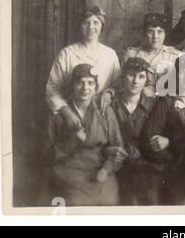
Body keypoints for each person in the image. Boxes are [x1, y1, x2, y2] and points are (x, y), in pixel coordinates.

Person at [45, 64, 126, 206]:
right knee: (77, 203)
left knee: (110, 202)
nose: (85, 88)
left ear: (96, 87)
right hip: (69, 173)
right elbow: (47, 156)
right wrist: (72, 142)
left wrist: (107, 169)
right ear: (72, 86)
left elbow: (118, 147)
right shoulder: (57, 116)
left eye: (90, 83)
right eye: (80, 83)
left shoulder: (105, 111)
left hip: (99, 171)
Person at [142, 55, 185, 205]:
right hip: (173, 161)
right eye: (183, 73)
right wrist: (171, 155)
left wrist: (169, 141)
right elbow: (149, 135)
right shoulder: (166, 101)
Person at [46, 6, 121, 131]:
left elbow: (119, 84)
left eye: (96, 22)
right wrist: (68, 114)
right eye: (86, 22)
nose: (91, 27)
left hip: (101, 113)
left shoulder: (110, 54)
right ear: (80, 26)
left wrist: (109, 92)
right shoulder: (67, 53)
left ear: (102, 26)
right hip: (73, 111)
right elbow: (52, 89)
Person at [110, 57, 161, 205]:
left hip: (146, 162)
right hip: (117, 162)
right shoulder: (110, 105)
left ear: (146, 80)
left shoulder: (153, 105)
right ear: (123, 76)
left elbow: (159, 134)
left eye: (141, 76)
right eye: (131, 74)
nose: (136, 81)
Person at [122, 13, 181, 96]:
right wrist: (110, 92)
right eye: (150, 31)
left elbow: (181, 91)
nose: (155, 36)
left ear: (165, 34)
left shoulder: (175, 57)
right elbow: (121, 84)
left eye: (159, 32)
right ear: (145, 33)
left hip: (163, 105)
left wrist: (156, 93)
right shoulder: (131, 54)